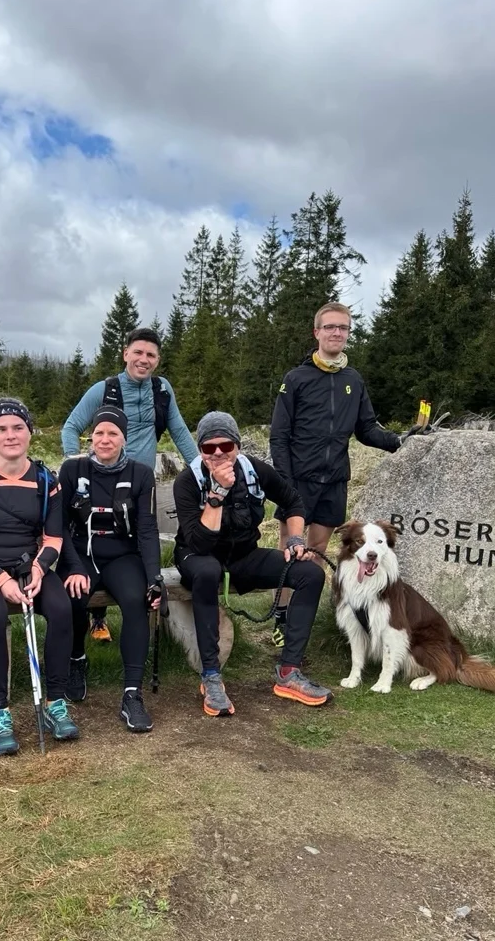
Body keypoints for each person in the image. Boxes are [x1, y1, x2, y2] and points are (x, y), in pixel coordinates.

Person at [173, 411, 333, 715]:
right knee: (207, 571)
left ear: (238, 445)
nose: (218, 452)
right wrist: (217, 493)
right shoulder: (187, 481)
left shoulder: (255, 470)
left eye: (226, 445)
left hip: (244, 554)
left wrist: (296, 540)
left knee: (310, 573)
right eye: (209, 448)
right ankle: (211, 675)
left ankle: (289, 672)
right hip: (197, 555)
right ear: (200, 450)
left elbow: (293, 501)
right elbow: (201, 543)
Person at [0, 398, 78, 756]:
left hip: (28, 566)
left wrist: (38, 570)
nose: (10, 435)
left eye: (18, 427)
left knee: (61, 608)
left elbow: (53, 538)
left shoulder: (45, 480)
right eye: (1, 429)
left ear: (30, 432)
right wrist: (2, 582)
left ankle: (55, 701)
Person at [268, 302, 401, 645]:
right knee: (290, 552)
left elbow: (367, 429)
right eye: (330, 327)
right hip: (298, 481)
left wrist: (401, 442)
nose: (337, 333)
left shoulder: (352, 380)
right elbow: (279, 435)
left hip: (334, 481)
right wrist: (284, 482)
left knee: (316, 553)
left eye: (343, 328)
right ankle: (280, 620)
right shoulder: (296, 379)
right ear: (317, 332)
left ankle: (302, 620)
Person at [61, 325, 198, 642]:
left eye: (150, 354)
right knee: (99, 542)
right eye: (137, 352)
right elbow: (71, 427)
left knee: (133, 547)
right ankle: (97, 619)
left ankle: (141, 617)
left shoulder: (162, 390)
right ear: (125, 354)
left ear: (157, 360)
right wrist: (74, 462)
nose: (143, 359)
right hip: (102, 485)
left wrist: (201, 470)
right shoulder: (104, 389)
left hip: (140, 486)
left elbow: (179, 432)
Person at [57, 406, 162, 733]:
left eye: (113, 433)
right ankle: (77, 659)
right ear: (91, 437)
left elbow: (146, 529)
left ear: (124, 439)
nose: (105, 439)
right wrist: (73, 566)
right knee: (74, 596)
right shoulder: (72, 470)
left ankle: (133, 693)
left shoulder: (141, 474)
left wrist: (154, 577)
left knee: (135, 600)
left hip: (122, 555)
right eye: (99, 433)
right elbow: (58, 526)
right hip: (80, 554)